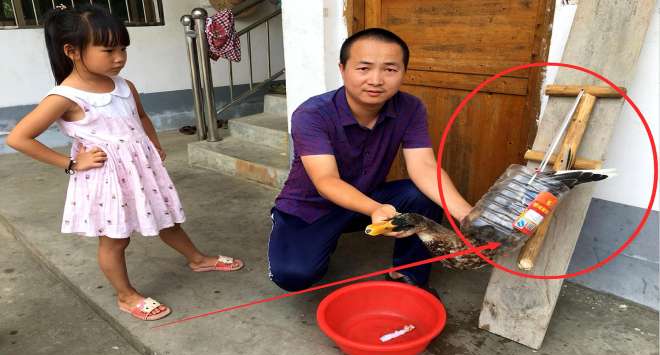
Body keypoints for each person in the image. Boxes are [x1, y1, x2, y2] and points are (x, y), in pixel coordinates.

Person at [6, 5, 243, 321]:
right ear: (72, 51)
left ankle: (197, 258)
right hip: (106, 179)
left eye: (123, 48)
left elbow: (141, 117)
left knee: (166, 217)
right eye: (108, 50)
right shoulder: (64, 97)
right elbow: (19, 138)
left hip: (141, 170)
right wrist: (72, 163)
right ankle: (126, 295)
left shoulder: (123, 86)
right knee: (116, 238)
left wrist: (154, 146)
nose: (119, 57)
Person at [267, 28, 473, 295]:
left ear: (403, 72)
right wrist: (375, 208)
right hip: (310, 208)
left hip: (366, 199)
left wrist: (468, 216)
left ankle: (407, 275)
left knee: (421, 194)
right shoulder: (311, 114)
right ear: (343, 69)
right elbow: (325, 180)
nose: (376, 80)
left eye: (390, 69)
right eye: (364, 68)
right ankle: (292, 232)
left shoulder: (410, 108)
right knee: (294, 276)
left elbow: (424, 167)